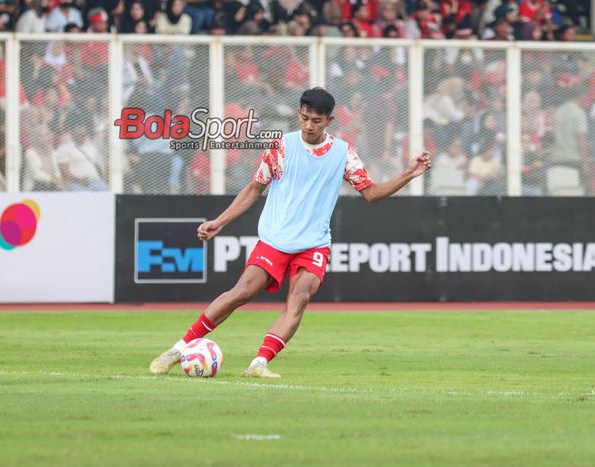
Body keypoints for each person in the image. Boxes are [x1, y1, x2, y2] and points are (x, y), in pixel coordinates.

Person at [150, 87, 431, 379]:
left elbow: (371, 193)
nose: (309, 125)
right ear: (299, 113)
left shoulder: (343, 153)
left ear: (329, 120)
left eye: (317, 120)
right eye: (305, 117)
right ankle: (179, 348)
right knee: (241, 292)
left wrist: (408, 174)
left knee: (299, 298)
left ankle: (259, 364)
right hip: (276, 239)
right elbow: (254, 188)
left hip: (314, 244)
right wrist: (220, 222)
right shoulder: (281, 146)